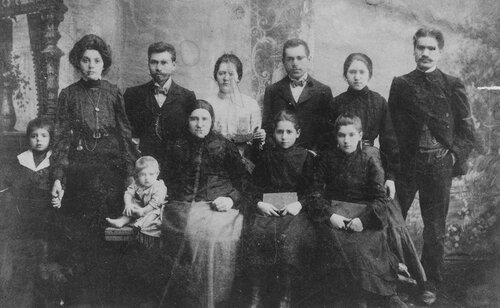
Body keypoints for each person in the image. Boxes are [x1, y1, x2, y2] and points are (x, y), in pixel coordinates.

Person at [388, 27, 475, 305]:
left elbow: (466, 129)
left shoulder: (452, 83)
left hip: (439, 166)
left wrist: (453, 157)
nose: (425, 53)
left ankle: (431, 282)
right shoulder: (400, 84)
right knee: (394, 223)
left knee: (434, 229)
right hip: (407, 166)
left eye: (431, 48)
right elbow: (390, 130)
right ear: (413, 49)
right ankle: (395, 279)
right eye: (420, 47)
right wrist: (393, 166)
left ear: (440, 51)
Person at [50, 34, 138, 302]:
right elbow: (62, 139)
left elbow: (125, 136)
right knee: (82, 235)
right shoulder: (68, 95)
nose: (91, 65)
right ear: (78, 63)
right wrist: (59, 179)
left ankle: (110, 296)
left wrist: (131, 177)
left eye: (96, 60)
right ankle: (82, 298)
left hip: (111, 165)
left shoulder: (113, 92)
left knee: (111, 233)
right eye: (85, 60)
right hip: (82, 167)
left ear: (104, 63)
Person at [331, 53, 426, 290]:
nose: (357, 76)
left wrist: (391, 176)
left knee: (389, 213)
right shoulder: (336, 103)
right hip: (343, 163)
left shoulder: (378, 102)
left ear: (370, 75)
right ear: (345, 74)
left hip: (371, 161)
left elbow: (390, 141)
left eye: (362, 72)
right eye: (352, 71)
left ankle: (399, 273)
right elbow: (327, 140)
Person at [310, 114, 406, 307]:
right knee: (334, 241)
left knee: (365, 245)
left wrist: (363, 220)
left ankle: (375, 294)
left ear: (360, 135)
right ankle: (350, 297)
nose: (346, 140)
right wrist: (330, 216)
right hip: (336, 213)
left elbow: (380, 198)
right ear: (335, 136)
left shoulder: (369, 158)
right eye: (341, 135)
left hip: (364, 215)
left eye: (352, 135)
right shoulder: (326, 158)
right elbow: (314, 194)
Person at [160, 100, 248, 308]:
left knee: (218, 236)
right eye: (194, 119)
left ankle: (213, 301)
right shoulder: (177, 145)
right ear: (187, 121)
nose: (199, 124)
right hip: (183, 204)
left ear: (212, 121)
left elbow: (243, 181)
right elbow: (167, 179)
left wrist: (231, 198)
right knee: (191, 234)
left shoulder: (225, 145)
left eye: (204, 119)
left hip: (220, 204)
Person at [246, 110, 315, 308]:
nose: (284, 137)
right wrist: (260, 203)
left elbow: (313, 191)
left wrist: (299, 204)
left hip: (294, 212)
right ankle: (256, 295)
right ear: (272, 134)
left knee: (290, 239)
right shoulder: (266, 157)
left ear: (298, 133)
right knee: (256, 234)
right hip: (268, 209)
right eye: (279, 132)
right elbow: (253, 187)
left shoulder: (306, 157)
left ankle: (286, 297)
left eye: (289, 132)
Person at [0, 117, 66, 306]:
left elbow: (60, 182)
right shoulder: (22, 159)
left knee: (47, 251)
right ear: (28, 138)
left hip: (47, 213)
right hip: (25, 211)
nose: (38, 140)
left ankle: (49, 291)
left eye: (43, 136)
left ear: (50, 138)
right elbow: (11, 184)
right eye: (34, 136)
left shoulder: (55, 161)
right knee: (25, 255)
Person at [124, 42, 196, 171]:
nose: (158, 68)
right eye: (154, 62)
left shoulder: (187, 97)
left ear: (174, 65)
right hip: (143, 169)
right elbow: (127, 135)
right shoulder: (133, 95)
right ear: (148, 64)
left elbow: (190, 139)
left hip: (176, 169)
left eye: (164, 63)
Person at [262, 38, 333, 152]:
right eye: (290, 59)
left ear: (309, 59)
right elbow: (268, 129)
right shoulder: (272, 91)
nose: (295, 63)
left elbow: (327, 132)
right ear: (283, 61)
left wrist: (315, 153)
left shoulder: (323, 91)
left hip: (312, 158)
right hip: (281, 158)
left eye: (300, 58)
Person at [206, 54, 265, 169]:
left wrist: (260, 136)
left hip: (243, 162)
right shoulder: (208, 103)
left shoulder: (250, 104)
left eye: (231, 74)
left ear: (238, 77)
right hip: (213, 162)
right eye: (221, 73)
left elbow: (255, 140)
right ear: (215, 76)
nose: (226, 78)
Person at [106, 156, 167, 237]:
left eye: (151, 174)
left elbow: (154, 203)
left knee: (153, 217)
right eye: (142, 174)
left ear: (157, 174)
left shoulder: (159, 186)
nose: (147, 178)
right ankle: (121, 221)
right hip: (141, 207)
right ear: (137, 175)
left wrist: (143, 211)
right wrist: (128, 204)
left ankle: (139, 225)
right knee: (132, 206)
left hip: (153, 209)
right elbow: (128, 193)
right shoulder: (137, 183)